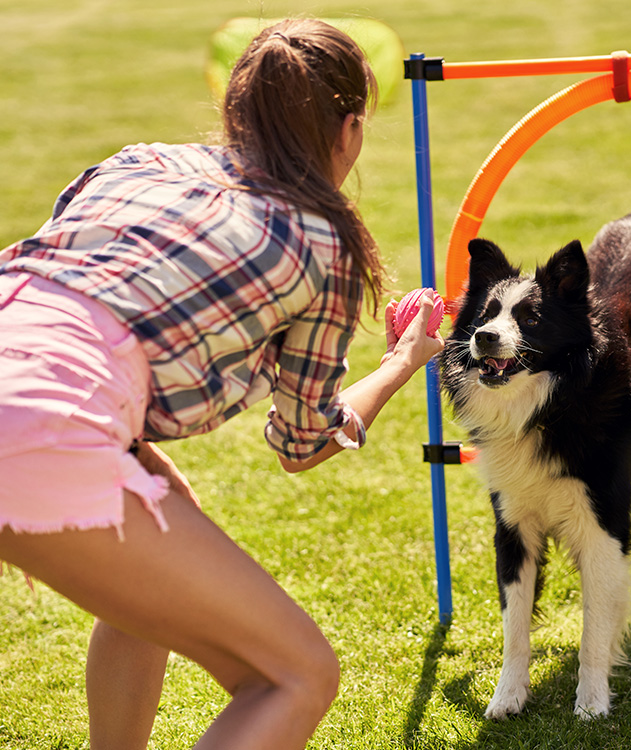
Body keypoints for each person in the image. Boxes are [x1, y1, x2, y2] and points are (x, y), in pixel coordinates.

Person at [0, 18, 443, 750]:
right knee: (296, 674)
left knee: (167, 526)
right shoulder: (321, 239)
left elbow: (68, 296)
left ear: (236, 108)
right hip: (41, 417)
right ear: (350, 129)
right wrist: (403, 361)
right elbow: (303, 444)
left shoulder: (139, 161)